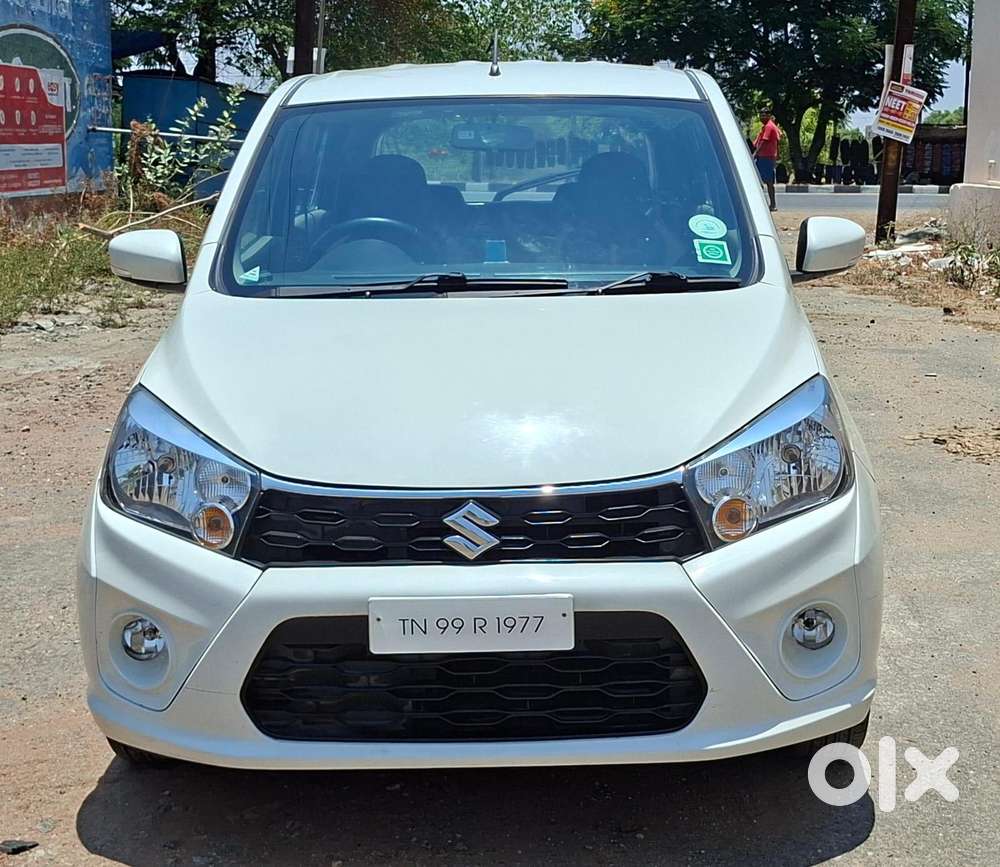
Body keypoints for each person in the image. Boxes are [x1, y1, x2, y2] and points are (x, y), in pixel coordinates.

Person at [753, 108, 781, 212]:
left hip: (766, 157)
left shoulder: (769, 126)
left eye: (764, 115)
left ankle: (772, 204)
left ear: (769, 116)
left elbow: (764, 141)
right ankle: (766, 203)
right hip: (764, 157)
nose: (761, 117)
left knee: (767, 181)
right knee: (759, 180)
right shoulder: (766, 127)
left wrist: (755, 154)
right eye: (760, 115)